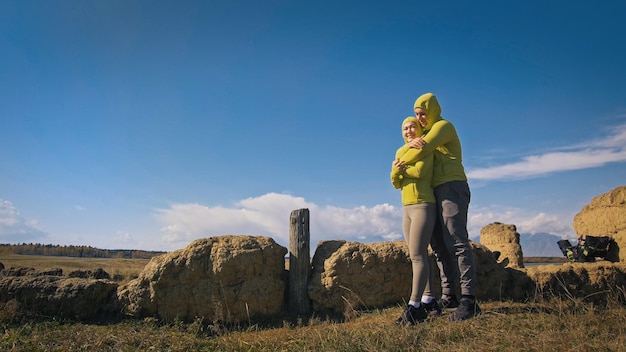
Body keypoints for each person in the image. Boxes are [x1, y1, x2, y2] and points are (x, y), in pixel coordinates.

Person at [396, 92, 481, 321]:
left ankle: (469, 300)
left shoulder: (443, 126)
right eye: (416, 114)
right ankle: (449, 295)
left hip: (452, 186)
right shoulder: (423, 133)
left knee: (457, 241)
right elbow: (414, 150)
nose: (420, 117)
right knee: (439, 246)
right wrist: (407, 149)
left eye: (423, 113)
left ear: (432, 110)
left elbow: (422, 149)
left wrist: (401, 157)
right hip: (433, 192)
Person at [390, 116, 440, 325]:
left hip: (423, 205)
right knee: (415, 256)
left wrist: (401, 168)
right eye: (404, 128)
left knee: (419, 255)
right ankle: (429, 299)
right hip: (407, 208)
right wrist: (397, 170)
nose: (408, 130)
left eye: (412, 126)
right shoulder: (402, 151)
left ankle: (414, 305)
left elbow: (420, 172)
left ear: (419, 129)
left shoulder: (424, 146)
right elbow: (395, 181)